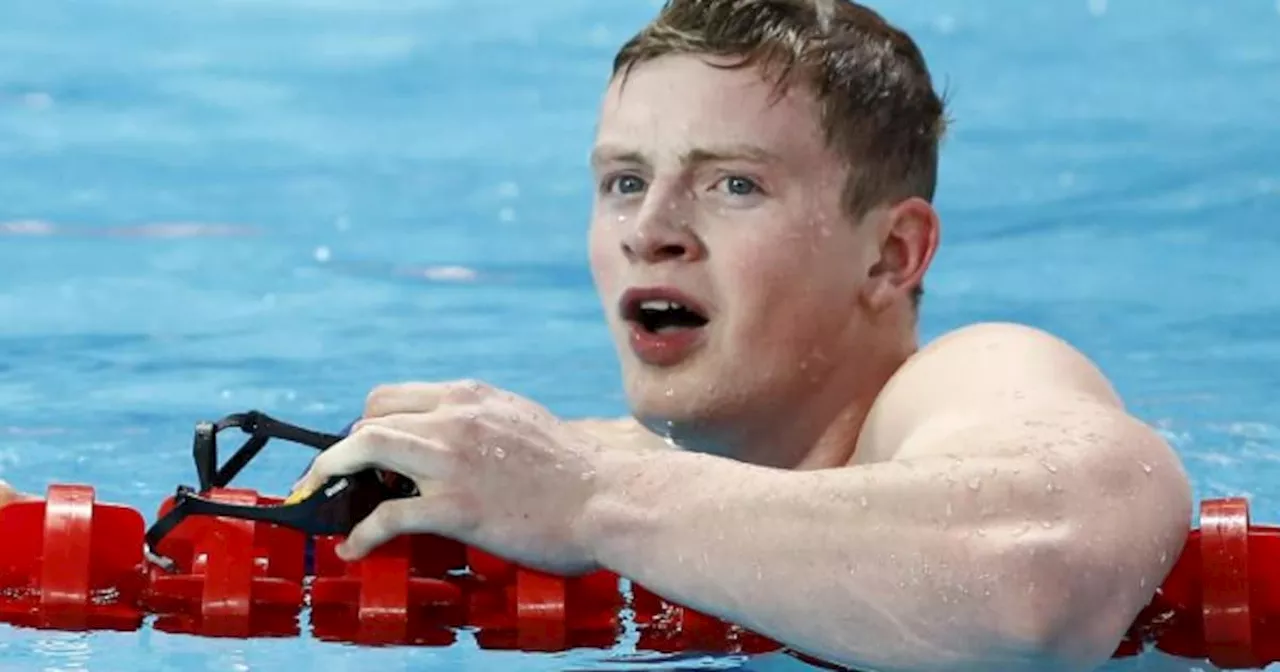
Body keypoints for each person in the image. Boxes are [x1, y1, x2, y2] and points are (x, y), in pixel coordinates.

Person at [2, 1, 1193, 670]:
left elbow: (1035, 586)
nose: (652, 233)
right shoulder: (602, 475)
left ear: (892, 253)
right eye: (622, 181)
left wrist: (588, 505)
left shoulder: (964, 383)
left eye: (730, 186)